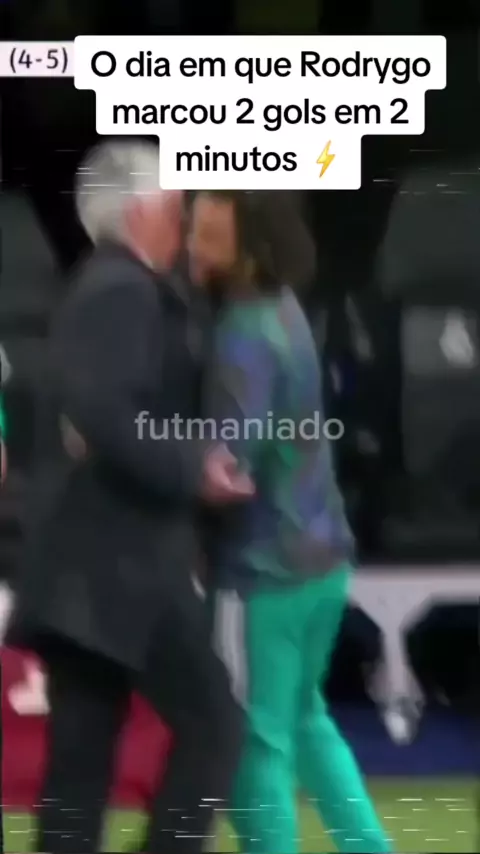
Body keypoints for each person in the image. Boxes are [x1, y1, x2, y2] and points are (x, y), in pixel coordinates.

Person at [6, 143, 251, 854]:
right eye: (173, 201)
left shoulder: (104, 287)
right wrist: (192, 470)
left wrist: (187, 455)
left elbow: (112, 416)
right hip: (123, 564)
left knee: (82, 762)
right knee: (213, 726)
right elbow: (108, 414)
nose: (182, 214)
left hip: (89, 565)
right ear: (143, 209)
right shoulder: (122, 291)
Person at [188, 190, 392, 854]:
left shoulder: (242, 333)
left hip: (266, 571)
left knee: (259, 740)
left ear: (249, 249)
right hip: (324, 556)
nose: (193, 246)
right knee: (306, 721)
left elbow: (229, 466)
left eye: (209, 235)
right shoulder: (286, 309)